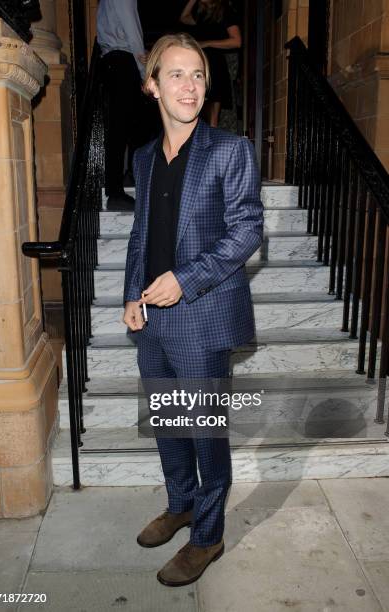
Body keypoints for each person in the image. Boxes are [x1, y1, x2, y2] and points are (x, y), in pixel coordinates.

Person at [123, 33, 263, 586]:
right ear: (151, 85)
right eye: (177, 74)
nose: (190, 86)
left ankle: (208, 536)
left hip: (203, 316)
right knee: (169, 422)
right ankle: (180, 504)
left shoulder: (230, 150)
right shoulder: (143, 158)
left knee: (205, 430)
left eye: (199, 75)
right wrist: (133, 294)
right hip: (153, 318)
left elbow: (247, 229)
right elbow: (141, 238)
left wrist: (184, 280)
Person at [97, 0, 147, 210]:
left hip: (112, 60)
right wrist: (145, 73)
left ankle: (126, 178)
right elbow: (133, 34)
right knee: (128, 127)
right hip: (123, 61)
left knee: (124, 126)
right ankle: (117, 190)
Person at [180, 0, 241, 127]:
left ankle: (212, 143)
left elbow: (236, 41)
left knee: (213, 111)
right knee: (196, 106)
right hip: (199, 64)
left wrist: (207, 43)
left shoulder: (225, 11)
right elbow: (184, 18)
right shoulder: (201, 13)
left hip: (215, 64)